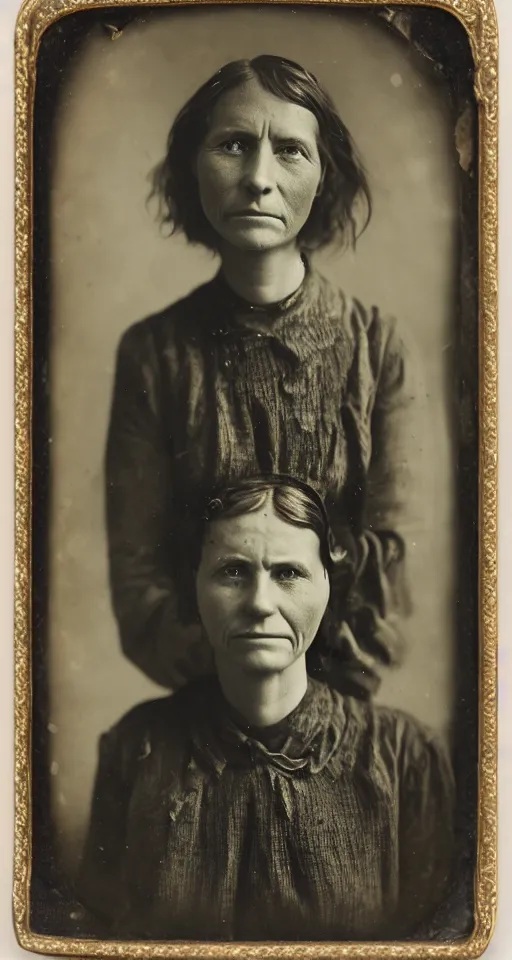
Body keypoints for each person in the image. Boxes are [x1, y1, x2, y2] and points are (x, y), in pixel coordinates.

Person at [106, 54, 426, 699]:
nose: (258, 178)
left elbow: (395, 565)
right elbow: (140, 582)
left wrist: (303, 692)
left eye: (289, 151)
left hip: (342, 709)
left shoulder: (378, 347)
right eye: (233, 145)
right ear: (194, 167)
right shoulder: (156, 353)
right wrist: (231, 680)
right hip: (201, 712)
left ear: (324, 176)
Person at [78, 477, 453, 942]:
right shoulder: (137, 748)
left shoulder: (404, 757)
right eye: (233, 571)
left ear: (327, 585)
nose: (260, 603)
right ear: (195, 585)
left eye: (288, 573)